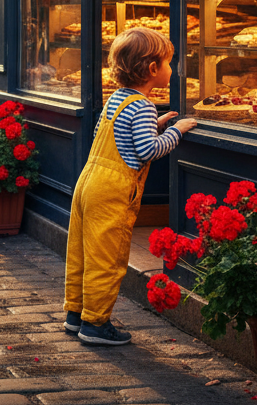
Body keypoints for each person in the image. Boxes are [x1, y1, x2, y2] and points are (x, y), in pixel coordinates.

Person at [64, 27, 197, 346]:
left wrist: (157, 124)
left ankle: (76, 313)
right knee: (107, 258)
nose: (171, 69)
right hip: (112, 190)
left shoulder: (117, 100)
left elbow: (111, 133)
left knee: (82, 251)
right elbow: (148, 150)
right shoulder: (144, 107)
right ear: (152, 69)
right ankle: (95, 324)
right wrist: (176, 130)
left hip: (89, 182)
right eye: (168, 63)